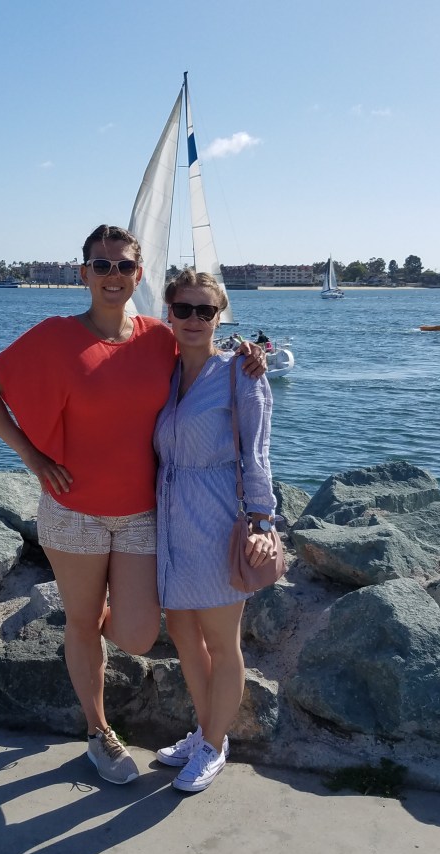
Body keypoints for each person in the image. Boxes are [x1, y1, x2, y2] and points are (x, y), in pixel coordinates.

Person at [0, 224, 265, 786]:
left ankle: (93, 642)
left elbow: (203, 354)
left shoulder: (157, 337)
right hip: (71, 511)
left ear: (139, 274)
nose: (113, 275)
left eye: (124, 265)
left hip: (141, 515)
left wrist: (247, 355)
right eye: (101, 265)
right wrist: (32, 457)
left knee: (137, 633)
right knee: (82, 623)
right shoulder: (55, 334)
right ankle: (98, 731)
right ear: (84, 273)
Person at [153, 270, 277, 793]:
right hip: (169, 521)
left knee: (222, 643)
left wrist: (263, 522)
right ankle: (206, 732)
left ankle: (214, 744)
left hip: (217, 516)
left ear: (220, 316)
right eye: (184, 309)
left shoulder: (241, 373)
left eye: (206, 311)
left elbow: (258, 452)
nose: (194, 319)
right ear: (169, 312)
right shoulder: (162, 371)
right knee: (184, 637)